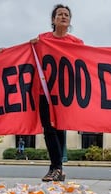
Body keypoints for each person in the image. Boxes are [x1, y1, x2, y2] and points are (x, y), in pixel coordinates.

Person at [31, 4, 84, 182]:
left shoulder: (76, 43)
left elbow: (85, 61)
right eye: (60, 14)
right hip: (45, 91)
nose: (63, 17)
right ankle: (56, 168)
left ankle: (57, 168)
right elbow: (29, 55)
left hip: (65, 93)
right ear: (53, 20)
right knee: (49, 128)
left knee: (60, 129)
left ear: (70, 21)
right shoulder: (42, 39)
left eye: (66, 15)